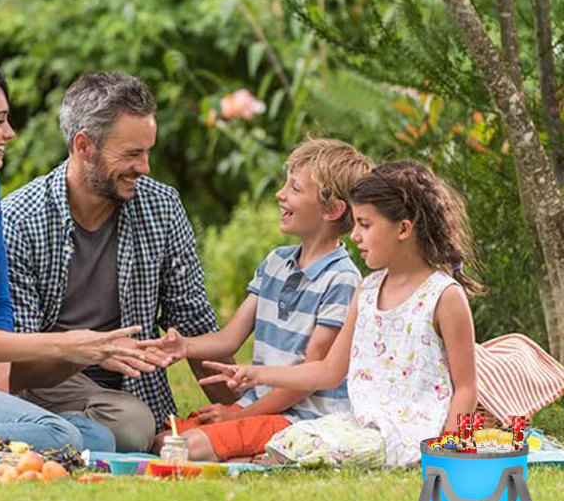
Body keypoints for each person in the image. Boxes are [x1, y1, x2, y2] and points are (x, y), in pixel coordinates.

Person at [2, 72, 231, 452]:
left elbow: (193, 321)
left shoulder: (162, 206)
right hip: (46, 383)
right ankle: (51, 432)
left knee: (132, 422)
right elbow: (15, 363)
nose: (145, 167)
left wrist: (242, 414)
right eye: (131, 154)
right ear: (84, 146)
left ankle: (65, 437)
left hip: (129, 393)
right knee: (132, 426)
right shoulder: (20, 220)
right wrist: (85, 351)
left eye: (148, 152)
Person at [202, 160, 480, 467]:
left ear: (403, 229)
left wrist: (450, 454)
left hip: (412, 434)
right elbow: (329, 370)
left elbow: (466, 387)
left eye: (365, 225)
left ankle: (264, 461)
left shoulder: (444, 295)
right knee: (289, 439)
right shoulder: (368, 290)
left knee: (309, 448)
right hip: (359, 425)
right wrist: (257, 375)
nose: (355, 236)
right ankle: (261, 460)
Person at [0, 64, 161, 452]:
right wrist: (63, 346)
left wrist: (1, 396)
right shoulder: (28, 211)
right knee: (59, 435)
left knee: (97, 437)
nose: (10, 133)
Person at [150, 138, 373, 461]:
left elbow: (309, 378)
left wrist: (243, 416)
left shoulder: (342, 279)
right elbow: (229, 340)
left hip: (300, 419)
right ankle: (248, 453)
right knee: (163, 437)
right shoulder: (276, 263)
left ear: (332, 209)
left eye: (294, 189)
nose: (280, 193)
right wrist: (184, 346)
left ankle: (260, 454)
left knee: (183, 448)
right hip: (257, 408)